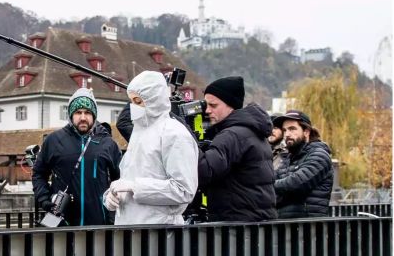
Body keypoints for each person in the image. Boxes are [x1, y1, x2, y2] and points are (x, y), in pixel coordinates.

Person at [103, 71, 199, 225]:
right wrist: (113, 195)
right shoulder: (139, 132)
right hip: (130, 230)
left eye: (138, 101)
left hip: (159, 232)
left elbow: (184, 190)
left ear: (154, 99)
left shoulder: (174, 133)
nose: (134, 107)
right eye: (131, 102)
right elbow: (130, 177)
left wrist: (135, 187)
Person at [32, 88, 122, 226]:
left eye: (87, 113)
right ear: (70, 114)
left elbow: (120, 179)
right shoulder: (54, 140)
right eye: (78, 112)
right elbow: (39, 173)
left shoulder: (107, 143)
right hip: (63, 223)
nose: (83, 117)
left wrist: (112, 207)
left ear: (94, 115)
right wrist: (45, 199)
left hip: (99, 224)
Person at [198, 76, 277, 221]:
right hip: (256, 223)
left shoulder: (232, 135)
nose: (207, 111)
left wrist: (187, 139)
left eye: (213, 105)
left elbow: (205, 170)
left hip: (236, 225)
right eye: (206, 105)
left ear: (231, 105)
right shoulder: (251, 130)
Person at [272, 110, 333, 218]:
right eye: (285, 130)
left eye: (292, 129)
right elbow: (273, 183)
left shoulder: (319, 155)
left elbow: (295, 184)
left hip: (308, 228)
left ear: (306, 131)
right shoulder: (288, 159)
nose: (287, 134)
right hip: (286, 226)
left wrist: (269, 186)